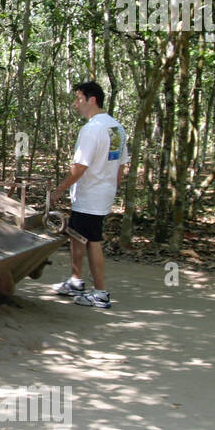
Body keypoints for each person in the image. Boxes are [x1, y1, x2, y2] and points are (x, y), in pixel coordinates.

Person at [49, 81, 130, 308]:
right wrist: (111, 188)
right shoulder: (116, 128)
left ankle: (101, 293)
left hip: (90, 195)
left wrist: (57, 191)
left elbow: (79, 167)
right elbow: (122, 165)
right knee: (77, 234)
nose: (75, 105)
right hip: (100, 193)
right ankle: (76, 280)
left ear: (92, 100)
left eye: (78, 99)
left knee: (93, 240)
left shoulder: (92, 129)